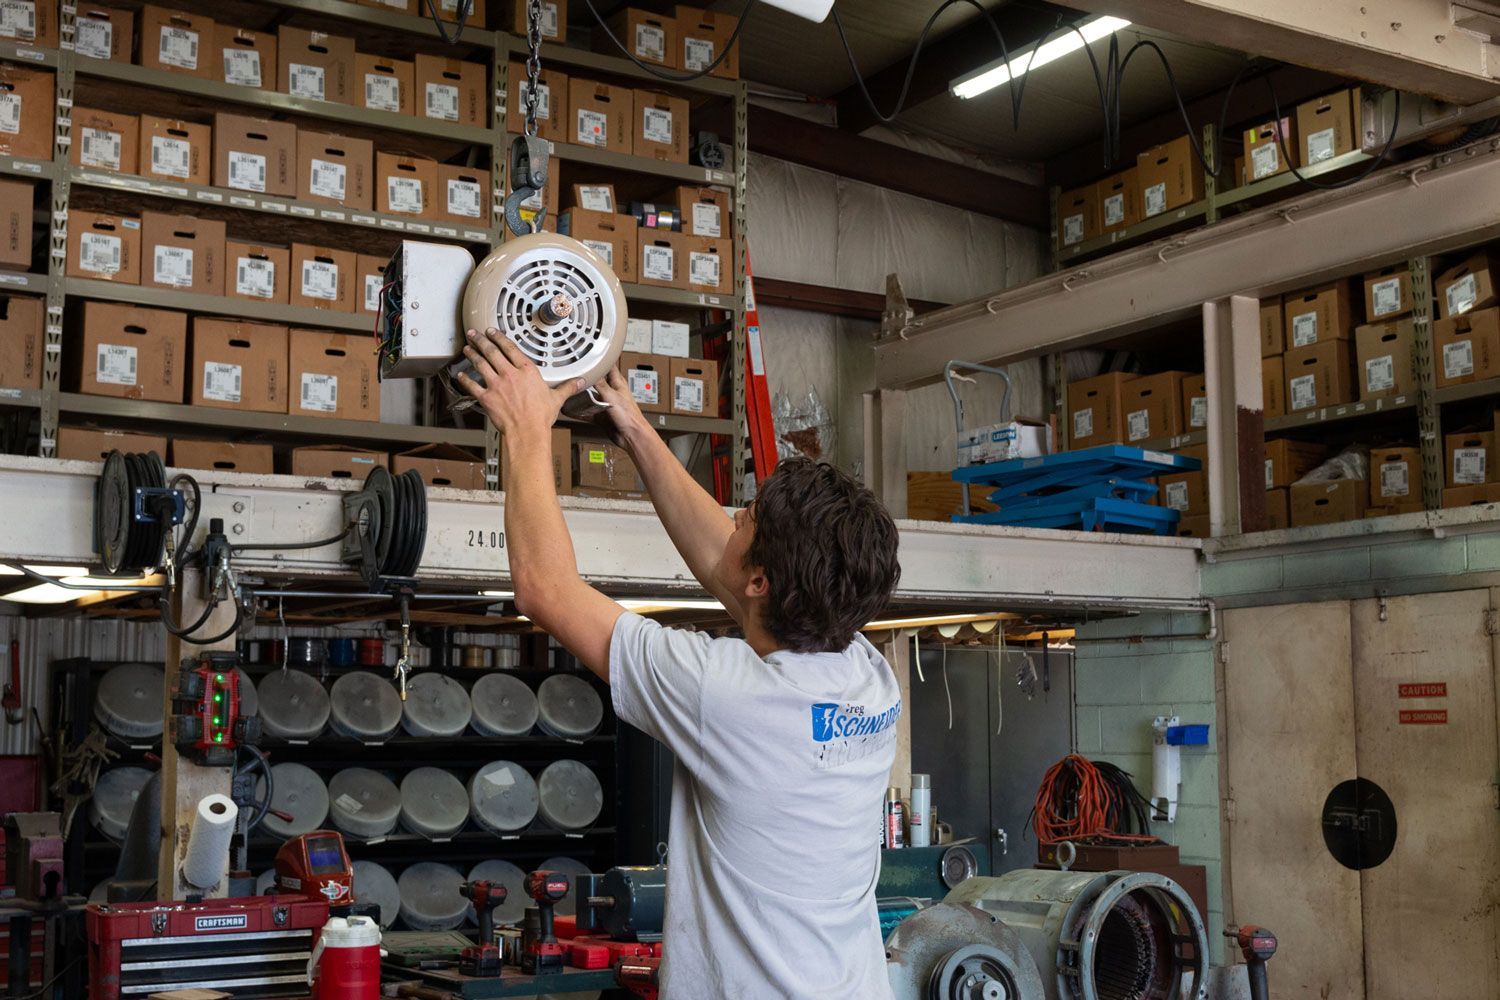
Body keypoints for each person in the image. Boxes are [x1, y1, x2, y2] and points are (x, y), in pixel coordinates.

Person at [457, 328, 903, 1000]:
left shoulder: (729, 694)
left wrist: (525, 426)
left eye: (745, 518)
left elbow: (544, 589)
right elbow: (729, 562)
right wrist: (629, 422)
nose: (734, 519)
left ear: (761, 583)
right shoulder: (864, 668)